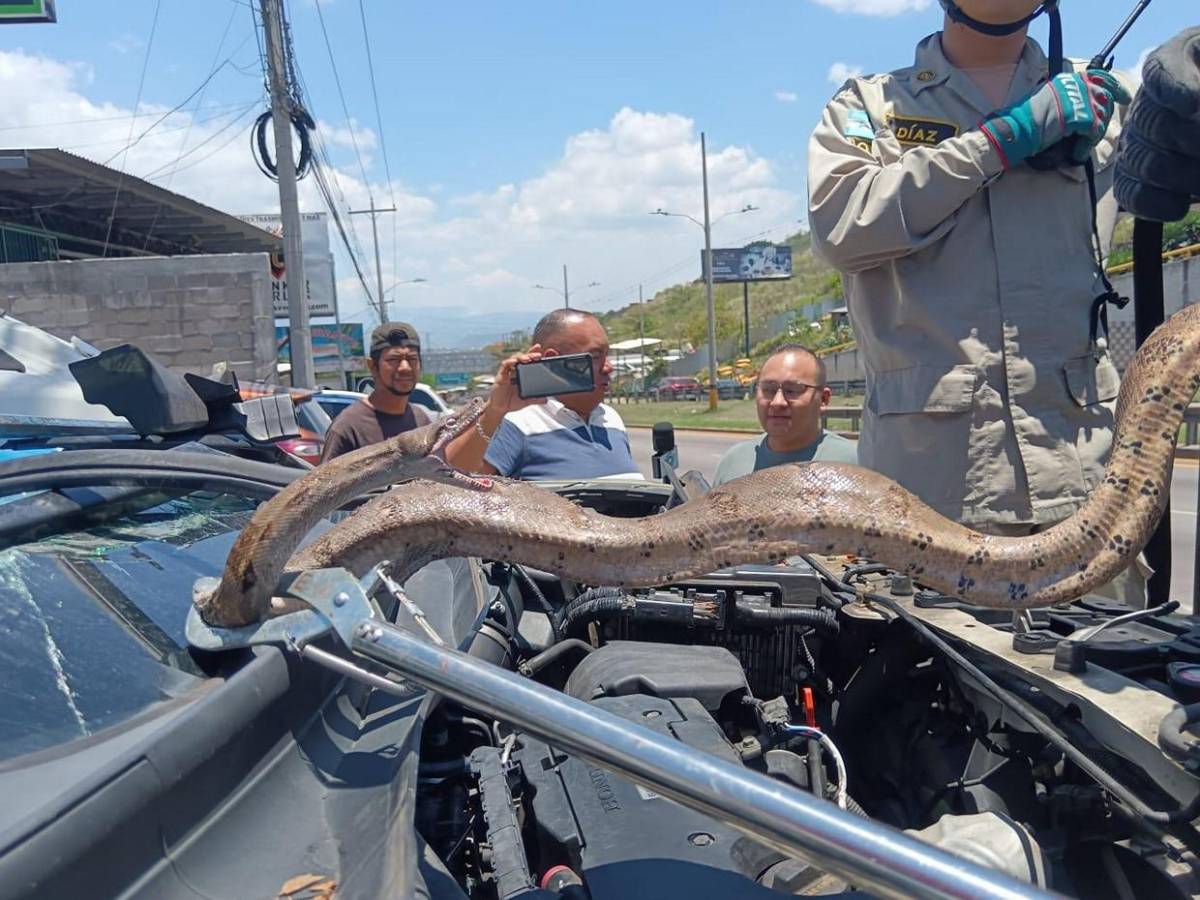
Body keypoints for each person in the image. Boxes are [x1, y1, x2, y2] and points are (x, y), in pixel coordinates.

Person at [806, 0, 1147, 602]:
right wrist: (1000, 141)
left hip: (1084, 484)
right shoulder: (867, 108)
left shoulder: (1106, 98)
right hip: (932, 501)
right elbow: (842, 227)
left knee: (1105, 679)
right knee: (933, 688)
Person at [444, 309, 642, 480]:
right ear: (554, 361)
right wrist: (495, 411)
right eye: (596, 356)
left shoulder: (612, 418)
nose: (609, 367)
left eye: (607, 355)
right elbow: (454, 480)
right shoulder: (518, 423)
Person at [712, 344, 857, 486]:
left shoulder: (853, 465)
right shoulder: (732, 463)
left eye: (792, 390)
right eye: (768, 389)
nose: (777, 402)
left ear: (823, 399)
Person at [319, 322, 430, 462]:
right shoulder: (348, 428)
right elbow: (326, 483)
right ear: (373, 366)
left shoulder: (421, 420)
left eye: (412, 359)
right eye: (393, 360)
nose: (405, 367)